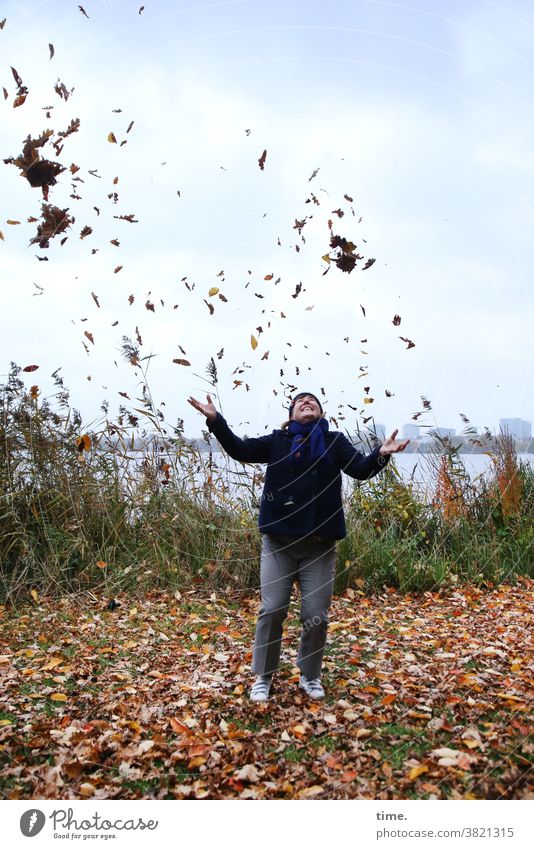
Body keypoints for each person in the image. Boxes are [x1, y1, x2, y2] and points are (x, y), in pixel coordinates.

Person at [187, 391, 409, 703]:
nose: (308, 403)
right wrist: (216, 420)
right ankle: (263, 676)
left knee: (315, 614)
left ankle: (310, 675)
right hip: (279, 544)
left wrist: (381, 454)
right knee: (273, 608)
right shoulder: (278, 441)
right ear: (291, 413)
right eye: (301, 401)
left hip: (319, 547)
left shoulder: (334, 441)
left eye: (314, 401)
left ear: (321, 412)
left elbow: (360, 469)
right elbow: (239, 449)